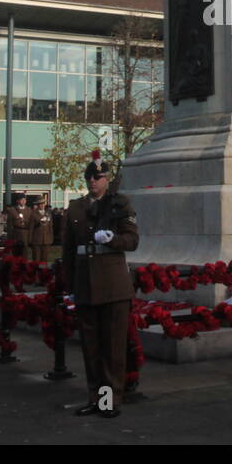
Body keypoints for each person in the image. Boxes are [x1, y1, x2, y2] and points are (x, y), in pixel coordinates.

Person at [61, 156, 138, 419]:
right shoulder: (75, 208)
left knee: (113, 348)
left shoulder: (119, 204)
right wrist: (69, 286)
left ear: (107, 179)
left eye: (99, 177)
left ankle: (110, 400)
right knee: (91, 348)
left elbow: (132, 240)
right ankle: (95, 398)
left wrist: (113, 238)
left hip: (113, 284)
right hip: (85, 284)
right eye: (90, 178)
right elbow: (69, 251)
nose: (93, 181)